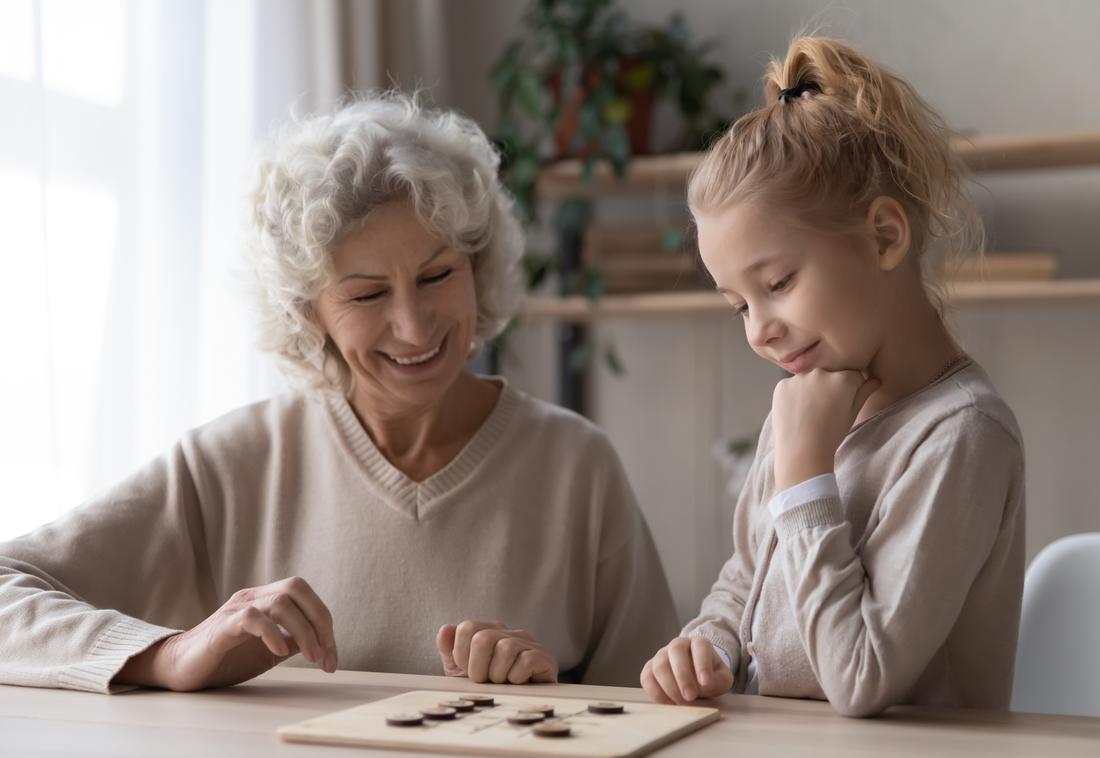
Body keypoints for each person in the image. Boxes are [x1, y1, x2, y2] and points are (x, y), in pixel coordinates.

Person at [0, 92, 678, 694]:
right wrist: (172, 654)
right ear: (308, 312)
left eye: (438, 274)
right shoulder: (235, 463)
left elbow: (662, 709)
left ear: (479, 265)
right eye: (367, 293)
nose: (414, 325)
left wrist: (554, 695)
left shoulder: (576, 467)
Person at [641, 36, 1025, 717]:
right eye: (739, 306)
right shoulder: (810, 402)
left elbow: (862, 679)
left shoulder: (962, 436)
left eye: (779, 283)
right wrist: (707, 645)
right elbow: (747, 581)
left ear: (883, 237)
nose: (759, 330)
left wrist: (806, 474)